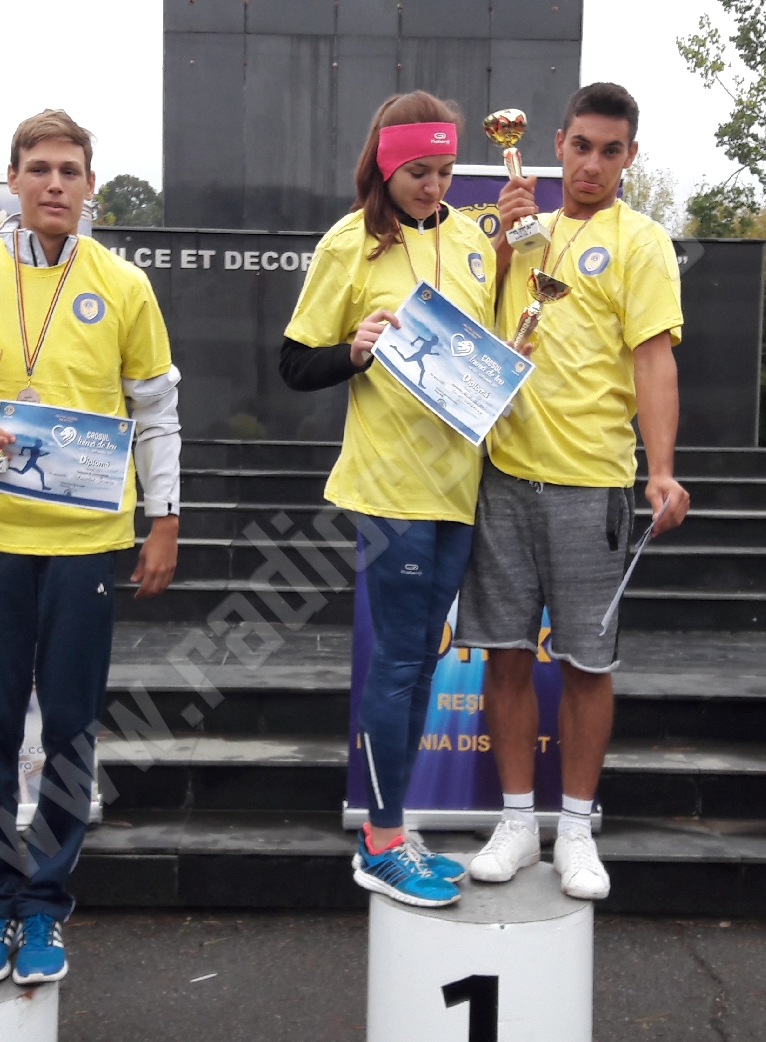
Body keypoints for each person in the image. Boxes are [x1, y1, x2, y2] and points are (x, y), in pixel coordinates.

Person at [0, 110, 180, 985]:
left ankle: (44, 904)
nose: (53, 183)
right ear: (12, 178)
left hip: (85, 539)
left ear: (89, 185)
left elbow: (156, 410)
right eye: (38, 168)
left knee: (70, 727)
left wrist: (164, 517)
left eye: (69, 170)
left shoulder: (124, 284)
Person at [456, 83, 687, 901]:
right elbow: (470, 323)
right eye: (581, 146)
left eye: (610, 151)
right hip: (503, 473)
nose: (592, 163)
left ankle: (578, 828)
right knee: (506, 654)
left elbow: (653, 360)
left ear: (630, 157)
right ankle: (518, 821)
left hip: (594, 481)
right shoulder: (518, 230)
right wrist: (502, 246)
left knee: (588, 663)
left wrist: (660, 469)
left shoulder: (642, 241)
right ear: (556, 144)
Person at [279, 90, 496, 907]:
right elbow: (294, 363)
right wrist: (356, 349)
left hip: (459, 485)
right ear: (384, 166)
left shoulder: (473, 241)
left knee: (423, 663)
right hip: (389, 485)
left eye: (445, 170)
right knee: (400, 661)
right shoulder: (350, 243)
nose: (433, 186)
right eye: (417, 172)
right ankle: (378, 843)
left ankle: (395, 828)